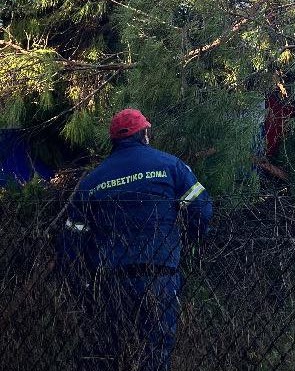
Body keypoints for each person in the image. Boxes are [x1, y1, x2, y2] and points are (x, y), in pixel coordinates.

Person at [59, 109, 212, 370]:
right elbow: (201, 209)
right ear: (144, 134)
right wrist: (187, 242)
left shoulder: (92, 181)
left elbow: (72, 240)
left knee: (111, 353)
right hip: (160, 273)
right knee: (156, 351)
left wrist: (83, 283)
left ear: (114, 141)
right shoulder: (170, 166)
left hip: (113, 280)